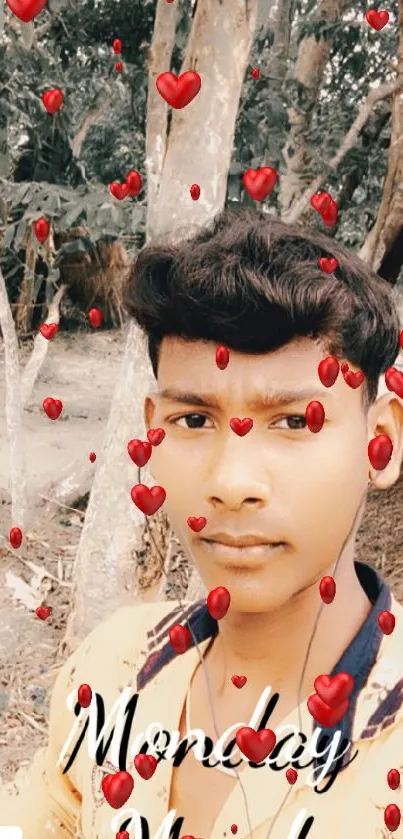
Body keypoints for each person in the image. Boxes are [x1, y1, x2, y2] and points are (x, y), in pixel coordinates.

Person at [1, 207, 403, 839]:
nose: (231, 483)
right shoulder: (111, 667)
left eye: (295, 422)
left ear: (381, 441)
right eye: (193, 421)